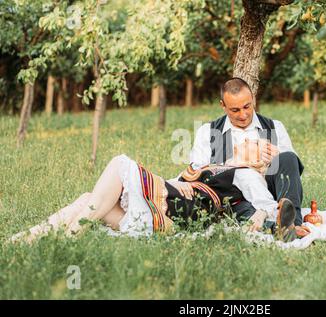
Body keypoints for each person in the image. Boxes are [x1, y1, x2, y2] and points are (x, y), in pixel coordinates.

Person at [10, 154, 302, 244]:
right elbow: (177, 180)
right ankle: (30, 237)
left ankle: (70, 235)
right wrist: (175, 182)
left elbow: (266, 205)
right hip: (168, 208)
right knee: (89, 198)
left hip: (183, 208)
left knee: (120, 163)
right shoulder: (214, 166)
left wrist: (265, 216)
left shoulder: (247, 174)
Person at [186, 77, 305, 226]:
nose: (243, 115)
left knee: (288, 157)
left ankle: (293, 223)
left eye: (247, 107)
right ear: (223, 105)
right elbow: (197, 173)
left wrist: (277, 157)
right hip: (234, 198)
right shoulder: (208, 132)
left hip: (272, 192)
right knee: (240, 211)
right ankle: (277, 228)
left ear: (253, 99)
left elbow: (293, 173)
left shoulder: (274, 127)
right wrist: (234, 165)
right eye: (235, 110)